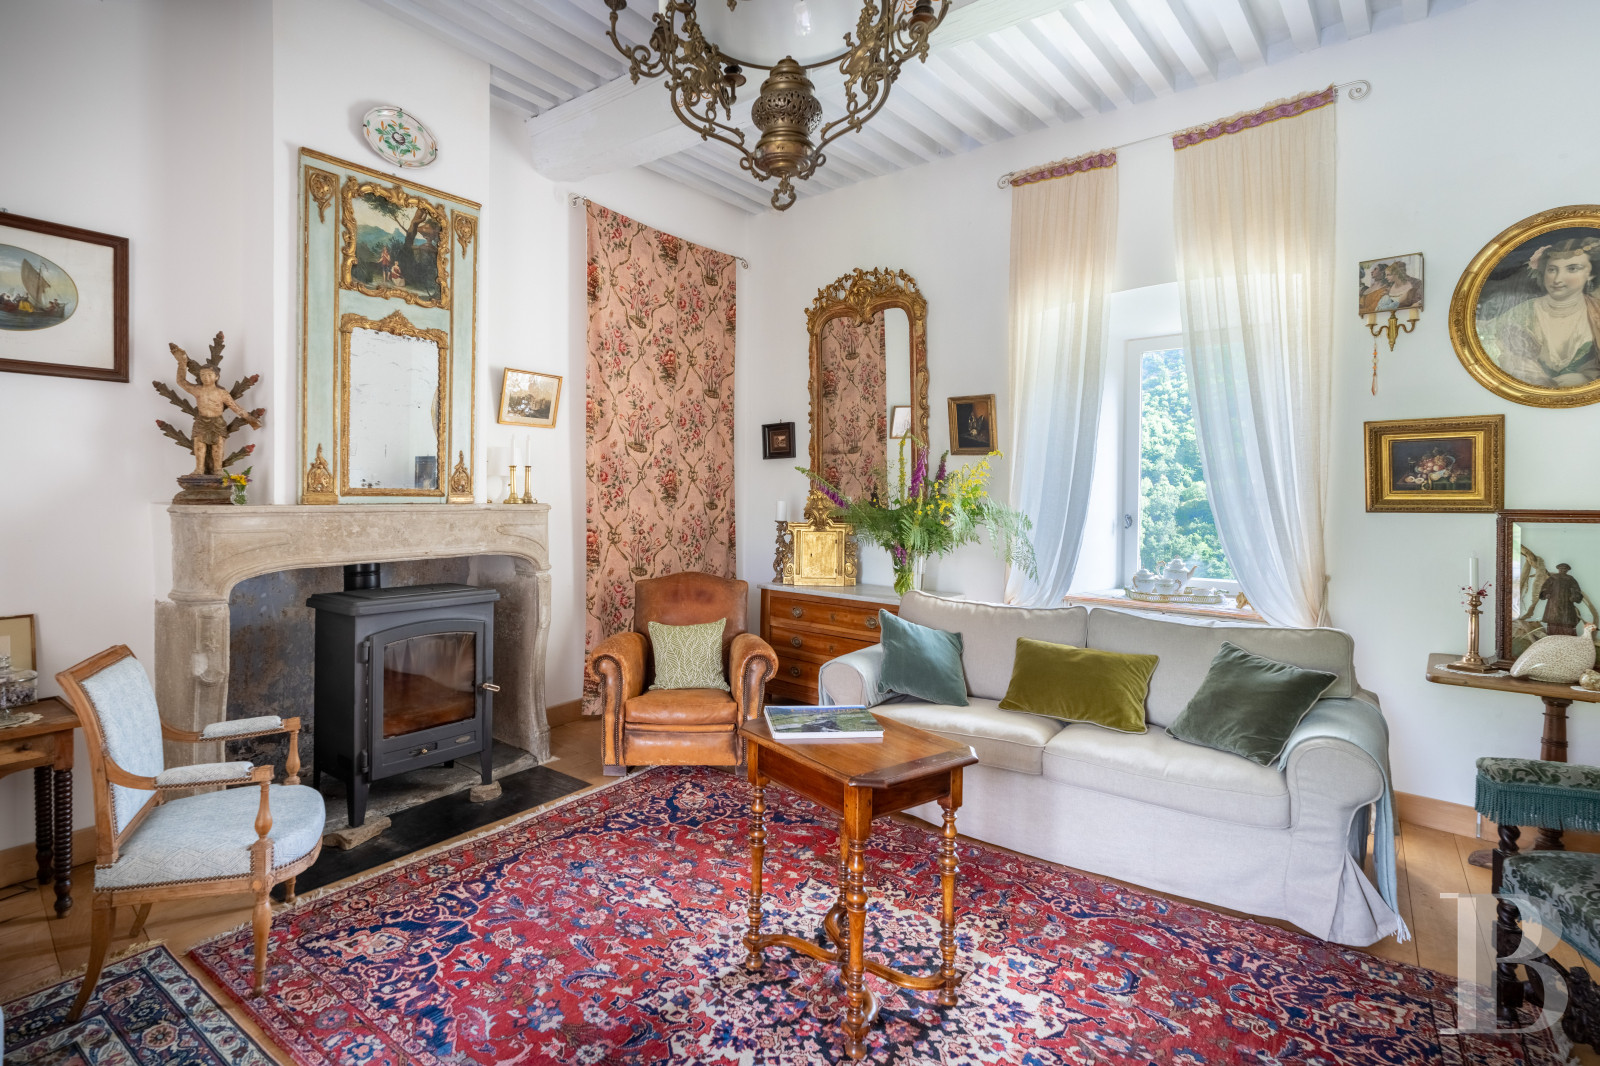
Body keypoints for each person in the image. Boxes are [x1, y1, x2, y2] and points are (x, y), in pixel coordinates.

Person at [1483, 237, 1600, 388]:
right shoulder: (1520, 314)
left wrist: (1588, 379)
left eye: (1572, 269)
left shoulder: (1597, 310)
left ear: (1590, 273)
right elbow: (1502, 364)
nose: (1557, 279)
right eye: (1552, 270)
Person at [170, 345, 263, 475]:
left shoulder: (221, 393)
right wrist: (182, 362)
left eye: (209, 374)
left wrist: (250, 419)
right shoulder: (197, 390)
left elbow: (235, 407)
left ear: (216, 377)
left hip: (217, 422)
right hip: (201, 422)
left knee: (217, 448)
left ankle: (218, 470)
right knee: (199, 447)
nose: (205, 377)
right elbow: (181, 381)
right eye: (202, 375)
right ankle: (199, 469)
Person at [1539, 562, 1585, 636]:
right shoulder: (1553, 578)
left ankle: (1568, 641)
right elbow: (1545, 587)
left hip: (1567, 605)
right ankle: (1553, 640)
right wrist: (1546, 594)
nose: (1563, 570)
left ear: (1567, 570)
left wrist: (1574, 597)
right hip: (1554, 604)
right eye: (1561, 568)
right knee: (1553, 622)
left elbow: (1576, 590)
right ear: (1558, 569)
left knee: (1567, 623)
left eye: (1564, 569)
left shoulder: (1570, 579)